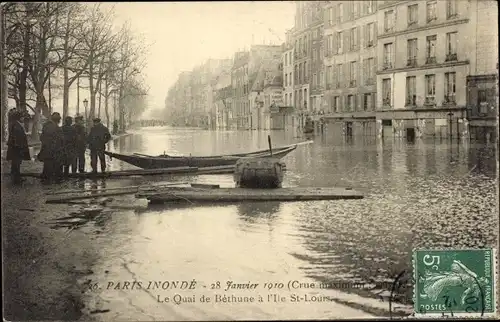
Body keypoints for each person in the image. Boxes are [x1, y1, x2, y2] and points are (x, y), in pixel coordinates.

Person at [39, 112, 64, 182]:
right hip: (54, 150)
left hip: (47, 149)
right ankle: (56, 179)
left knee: (47, 164)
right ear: (58, 120)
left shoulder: (46, 126)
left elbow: (41, 138)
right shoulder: (57, 128)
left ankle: (46, 178)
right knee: (56, 164)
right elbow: (60, 139)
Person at [6, 111, 31, 184]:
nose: (23, 118)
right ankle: (16, 179)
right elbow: (16, 138)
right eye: (22, 117)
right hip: (17, 148)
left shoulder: (16, 124)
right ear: (19, 118)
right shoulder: (16, 125)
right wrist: (19, 147)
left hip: (16, 147)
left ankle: (16, 177)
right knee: (16, 163)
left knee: (16, 163)